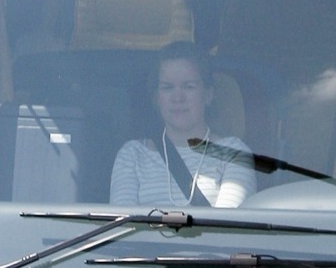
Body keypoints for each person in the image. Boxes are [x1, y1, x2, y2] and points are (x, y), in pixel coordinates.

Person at [110, 43, 258, 208]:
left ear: (208, 94)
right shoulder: (132, 155)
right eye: (168, 87)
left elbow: (226, 224)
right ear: (156, 98)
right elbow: (122, 222)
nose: (178, 98)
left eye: (188, 86)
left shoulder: (235, 155)